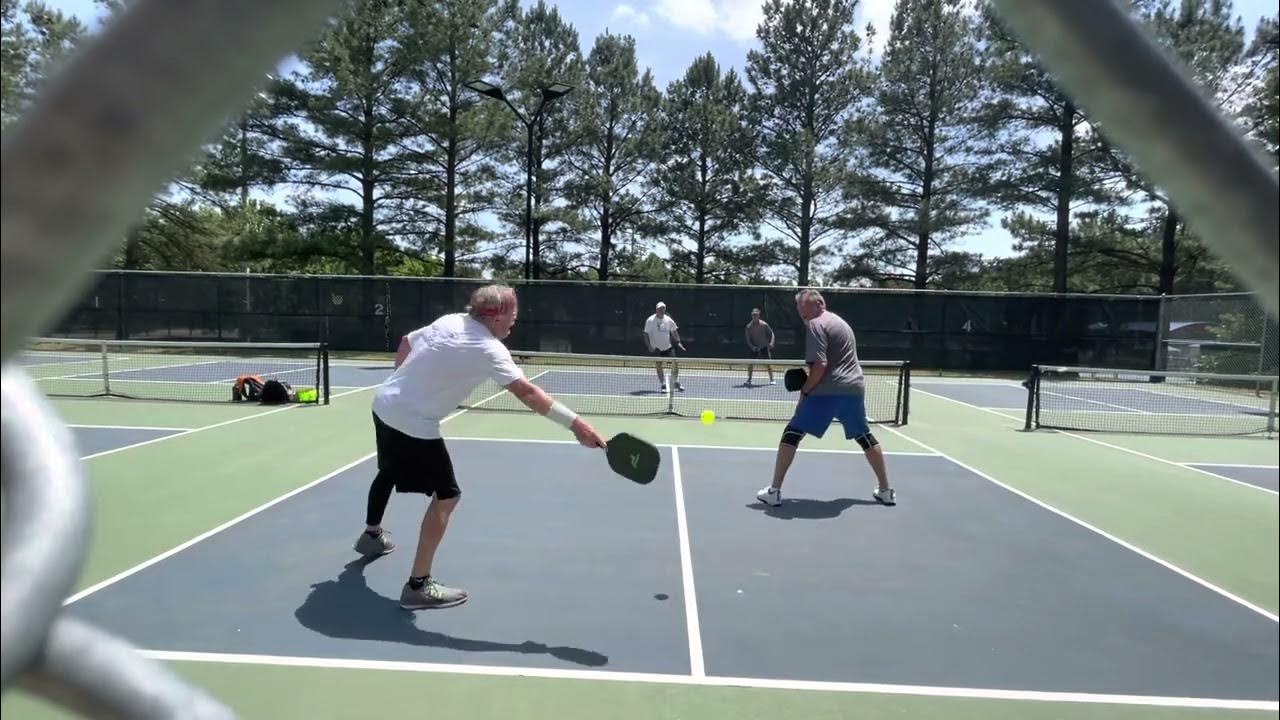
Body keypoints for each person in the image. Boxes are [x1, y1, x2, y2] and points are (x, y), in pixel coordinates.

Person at [353, 284, 609, 610]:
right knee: (447, 495)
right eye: (512, 316)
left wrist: (403, 385)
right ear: (495, 314)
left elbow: (406, 342)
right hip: (413, 421)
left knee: (389, 469)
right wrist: (578, 425)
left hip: (383, 405)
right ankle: (418, 586)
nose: (514, 323)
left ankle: (371, 535)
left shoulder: (450, 321)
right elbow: (527, 392)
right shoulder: (488, 348)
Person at [757, 288, 896, 508]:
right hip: (854, 389)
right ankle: (886, 490)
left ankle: (774, 491)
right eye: (798, 309)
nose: (801, 313)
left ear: (818, 304)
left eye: (803, 308)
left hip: (828, 390)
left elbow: (820, 365)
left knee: (792, 432)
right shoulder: (840, 323)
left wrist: (805, 391)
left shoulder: (816, 324)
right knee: (864, 436)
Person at [642, 301, 685, 393]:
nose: (661, 310)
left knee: (675, 364)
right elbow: (645, 334)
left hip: (668, 347)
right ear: (656, 309)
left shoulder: (668, 320)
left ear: (664, 309)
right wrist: (649, 346)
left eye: (663, 308)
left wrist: (678, 342)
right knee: (658, 366)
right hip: (656, 348)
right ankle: (663, 384)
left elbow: (674, 331)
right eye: (660, 309)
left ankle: (675, 382)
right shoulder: (650, 320)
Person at [743, 308, 775, 386]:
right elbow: (748, 340)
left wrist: (771, 342)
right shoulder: (748, 327)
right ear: (751, 315)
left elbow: (772, 334)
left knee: (768, 364)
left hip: (764, 346)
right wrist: (752, 347)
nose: (755, 316)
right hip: (755, 348)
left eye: (756, 315)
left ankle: (772, 380)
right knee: (750, 364)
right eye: (753, 315)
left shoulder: (764, 325)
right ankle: (749, 380)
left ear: (759, 315)